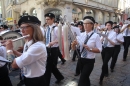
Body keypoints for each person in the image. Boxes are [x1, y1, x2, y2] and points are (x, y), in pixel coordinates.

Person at [5, 15, 47, 86]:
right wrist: (13, 51)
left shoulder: (37, 46)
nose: (22, 30)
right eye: (21, 28)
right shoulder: (28, 42)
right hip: (27, 77)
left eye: (25, 27)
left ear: (34, 28)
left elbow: (14, 65)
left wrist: (9, 51)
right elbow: (25, 56)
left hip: (36, 81)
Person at [71, 16, 102, 86]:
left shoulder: (96, 36)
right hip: (81, 59)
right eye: (84, 23)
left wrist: (90, 49)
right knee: (85, 77)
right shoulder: (80, 35)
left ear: (92, 25)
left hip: (89, 61)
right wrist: (73, 44)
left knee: (82, 79)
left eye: (87, 23)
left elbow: (100, 49)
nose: (85, 25)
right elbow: (74, 49)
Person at [44, 13, 64, 86]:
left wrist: (54, 42)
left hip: (54, 49)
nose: (47, 21)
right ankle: (59, 77)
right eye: (46, 19)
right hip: (47, 48)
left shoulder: (56, 28)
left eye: (48, 19)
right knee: (51, 66)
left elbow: (61, 38)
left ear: (53, 19)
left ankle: (46, 83)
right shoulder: (47, 28)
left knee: (48, 67)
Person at [99, 21, 117, 85]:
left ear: (111, 26)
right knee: (104, 62)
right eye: (106, 25)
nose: (107, 26)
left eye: (109, 25)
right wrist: (102, 38)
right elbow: (100, 41)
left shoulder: (114, 33)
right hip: (104, 48)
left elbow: (114, 43)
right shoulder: (104, 32)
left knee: (104, 63)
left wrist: (107, 38)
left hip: (110, 49)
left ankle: (101, 78)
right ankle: (106, 72)